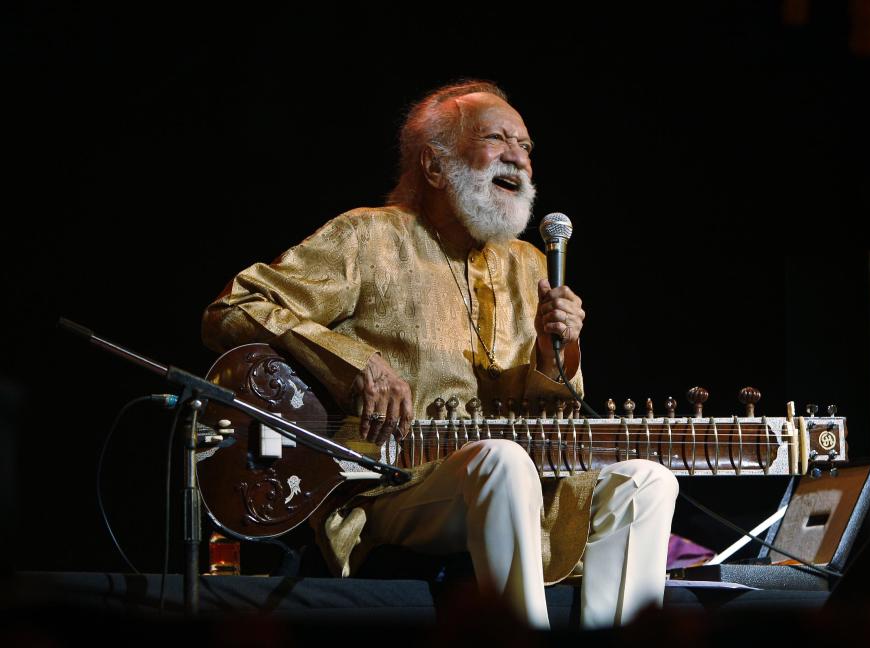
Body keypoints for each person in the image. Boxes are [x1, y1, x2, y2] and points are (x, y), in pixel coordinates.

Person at [201, 80, 678, 629]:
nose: (518, 159)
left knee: (648, 480)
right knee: (502, 459)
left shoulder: (529, 264)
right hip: (390, 484)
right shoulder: (368, 238)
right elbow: (234, 306)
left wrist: (558, 356)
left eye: (525, 146)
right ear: (433, 166)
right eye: (497, 139)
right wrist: (356, 363)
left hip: (516, 482)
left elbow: (556, 421)